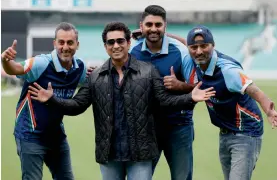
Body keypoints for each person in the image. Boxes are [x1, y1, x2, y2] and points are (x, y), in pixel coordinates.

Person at [28, 22, 215, 180]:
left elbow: (164, 101)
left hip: (140, 154)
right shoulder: (96, 77)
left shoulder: (148, 72)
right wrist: (51, 99)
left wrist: (189, 97)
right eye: (111, 42)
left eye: (120, 41)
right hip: (109, 155)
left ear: (128, 43)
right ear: (105, 46)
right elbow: (77, 105)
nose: (116, 45)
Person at [182, 25, 277, 180]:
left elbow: (255, 90)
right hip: (225, 133)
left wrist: (269, 110)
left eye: (204, 46)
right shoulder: (196, 61)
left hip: (246, 133)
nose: (199, 51)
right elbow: (183, 43)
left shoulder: (227, 70)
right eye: (194, 47)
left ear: (213, 45)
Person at [1, 22, 87, 180]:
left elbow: (88, 81)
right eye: (61, 42)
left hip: (56, 136)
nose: (65, 47)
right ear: (54, 43)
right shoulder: (41, 63)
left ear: (77, 44)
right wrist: (6, 61)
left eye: (70, 42)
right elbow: (14, 69)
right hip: (30, 136)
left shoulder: (80, 69)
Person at [129, 5, 195, 180]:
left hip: (179, 126)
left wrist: (180, 85)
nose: (153, 29)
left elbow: (197, 87)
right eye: (149, 24)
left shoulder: (180, 52)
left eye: (158, 25)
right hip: (145, 128)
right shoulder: (132, 53)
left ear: (165, 26)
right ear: (141, 26)